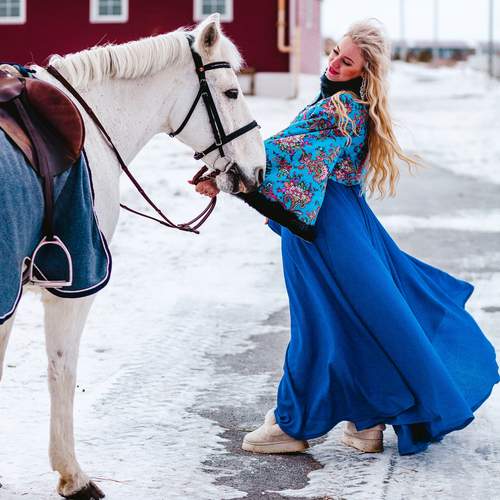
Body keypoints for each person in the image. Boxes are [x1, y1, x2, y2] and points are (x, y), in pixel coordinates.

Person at [194, 20, 499, 456]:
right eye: (336, 52)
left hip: (325, 228)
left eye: (347, 61)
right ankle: (366, 422)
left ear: (364, 71)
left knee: (316, 325)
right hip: (347, 224)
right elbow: (289, 154)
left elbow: (290, 155)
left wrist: (226, 176)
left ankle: (292, 424)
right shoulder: (345, 104)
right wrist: (228, 174)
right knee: (351, 321)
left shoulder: (340, 107)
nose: (335, 63)